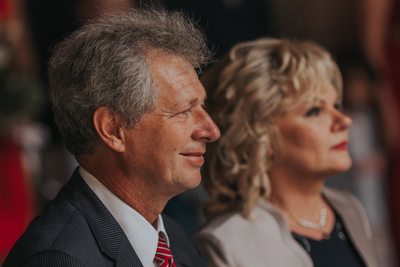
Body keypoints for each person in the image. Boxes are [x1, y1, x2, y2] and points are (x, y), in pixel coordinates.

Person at [4, 8, 220, 267]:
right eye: (184, 111)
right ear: (113, 130)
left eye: (202, 108)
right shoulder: (58, 260)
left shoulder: (176, 239)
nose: (211, 130)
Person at [196, 38, 379, 267]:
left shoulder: (350, 211)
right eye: (314, 111)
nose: (344, 121)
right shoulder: (226, 242)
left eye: (336, 105)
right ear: (260, 134)